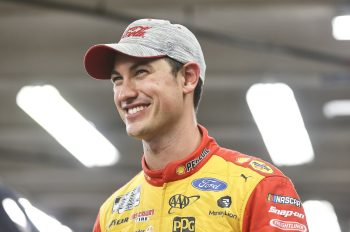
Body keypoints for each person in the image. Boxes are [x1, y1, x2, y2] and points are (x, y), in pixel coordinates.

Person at [84, 18, 309, 232]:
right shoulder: (111, 214)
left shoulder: (259, 187)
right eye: (117, 79)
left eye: (141, 72)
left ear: (188, 77)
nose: (125, 93)